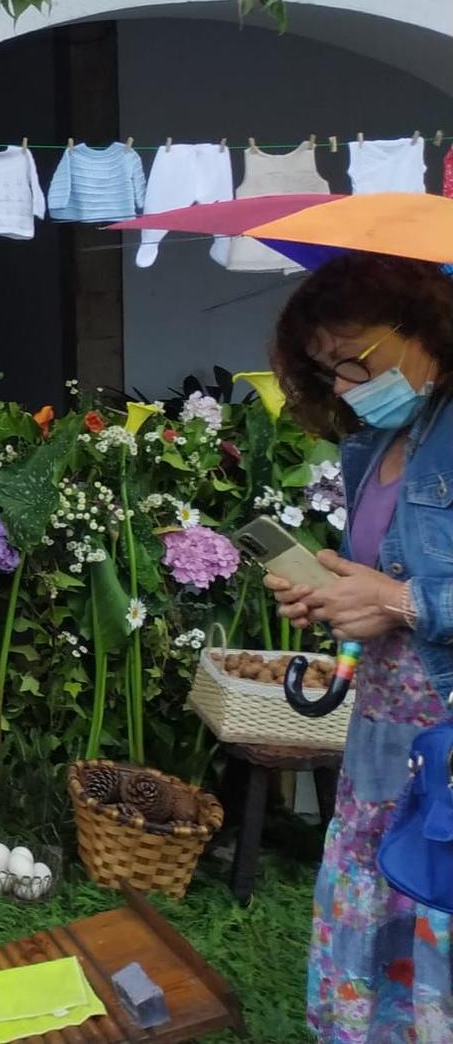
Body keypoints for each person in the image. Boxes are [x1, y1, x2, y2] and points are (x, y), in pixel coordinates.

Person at [268, 252, 453, 1041]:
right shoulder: (375, 446)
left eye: (356, 360)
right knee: (379, 901)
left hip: (442, 733)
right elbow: (383, 580)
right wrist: (336, 589)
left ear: (429, 329)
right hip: (384, 735)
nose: (344, 386)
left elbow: (405, 593)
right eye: (328, 370)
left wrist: (400, 600)